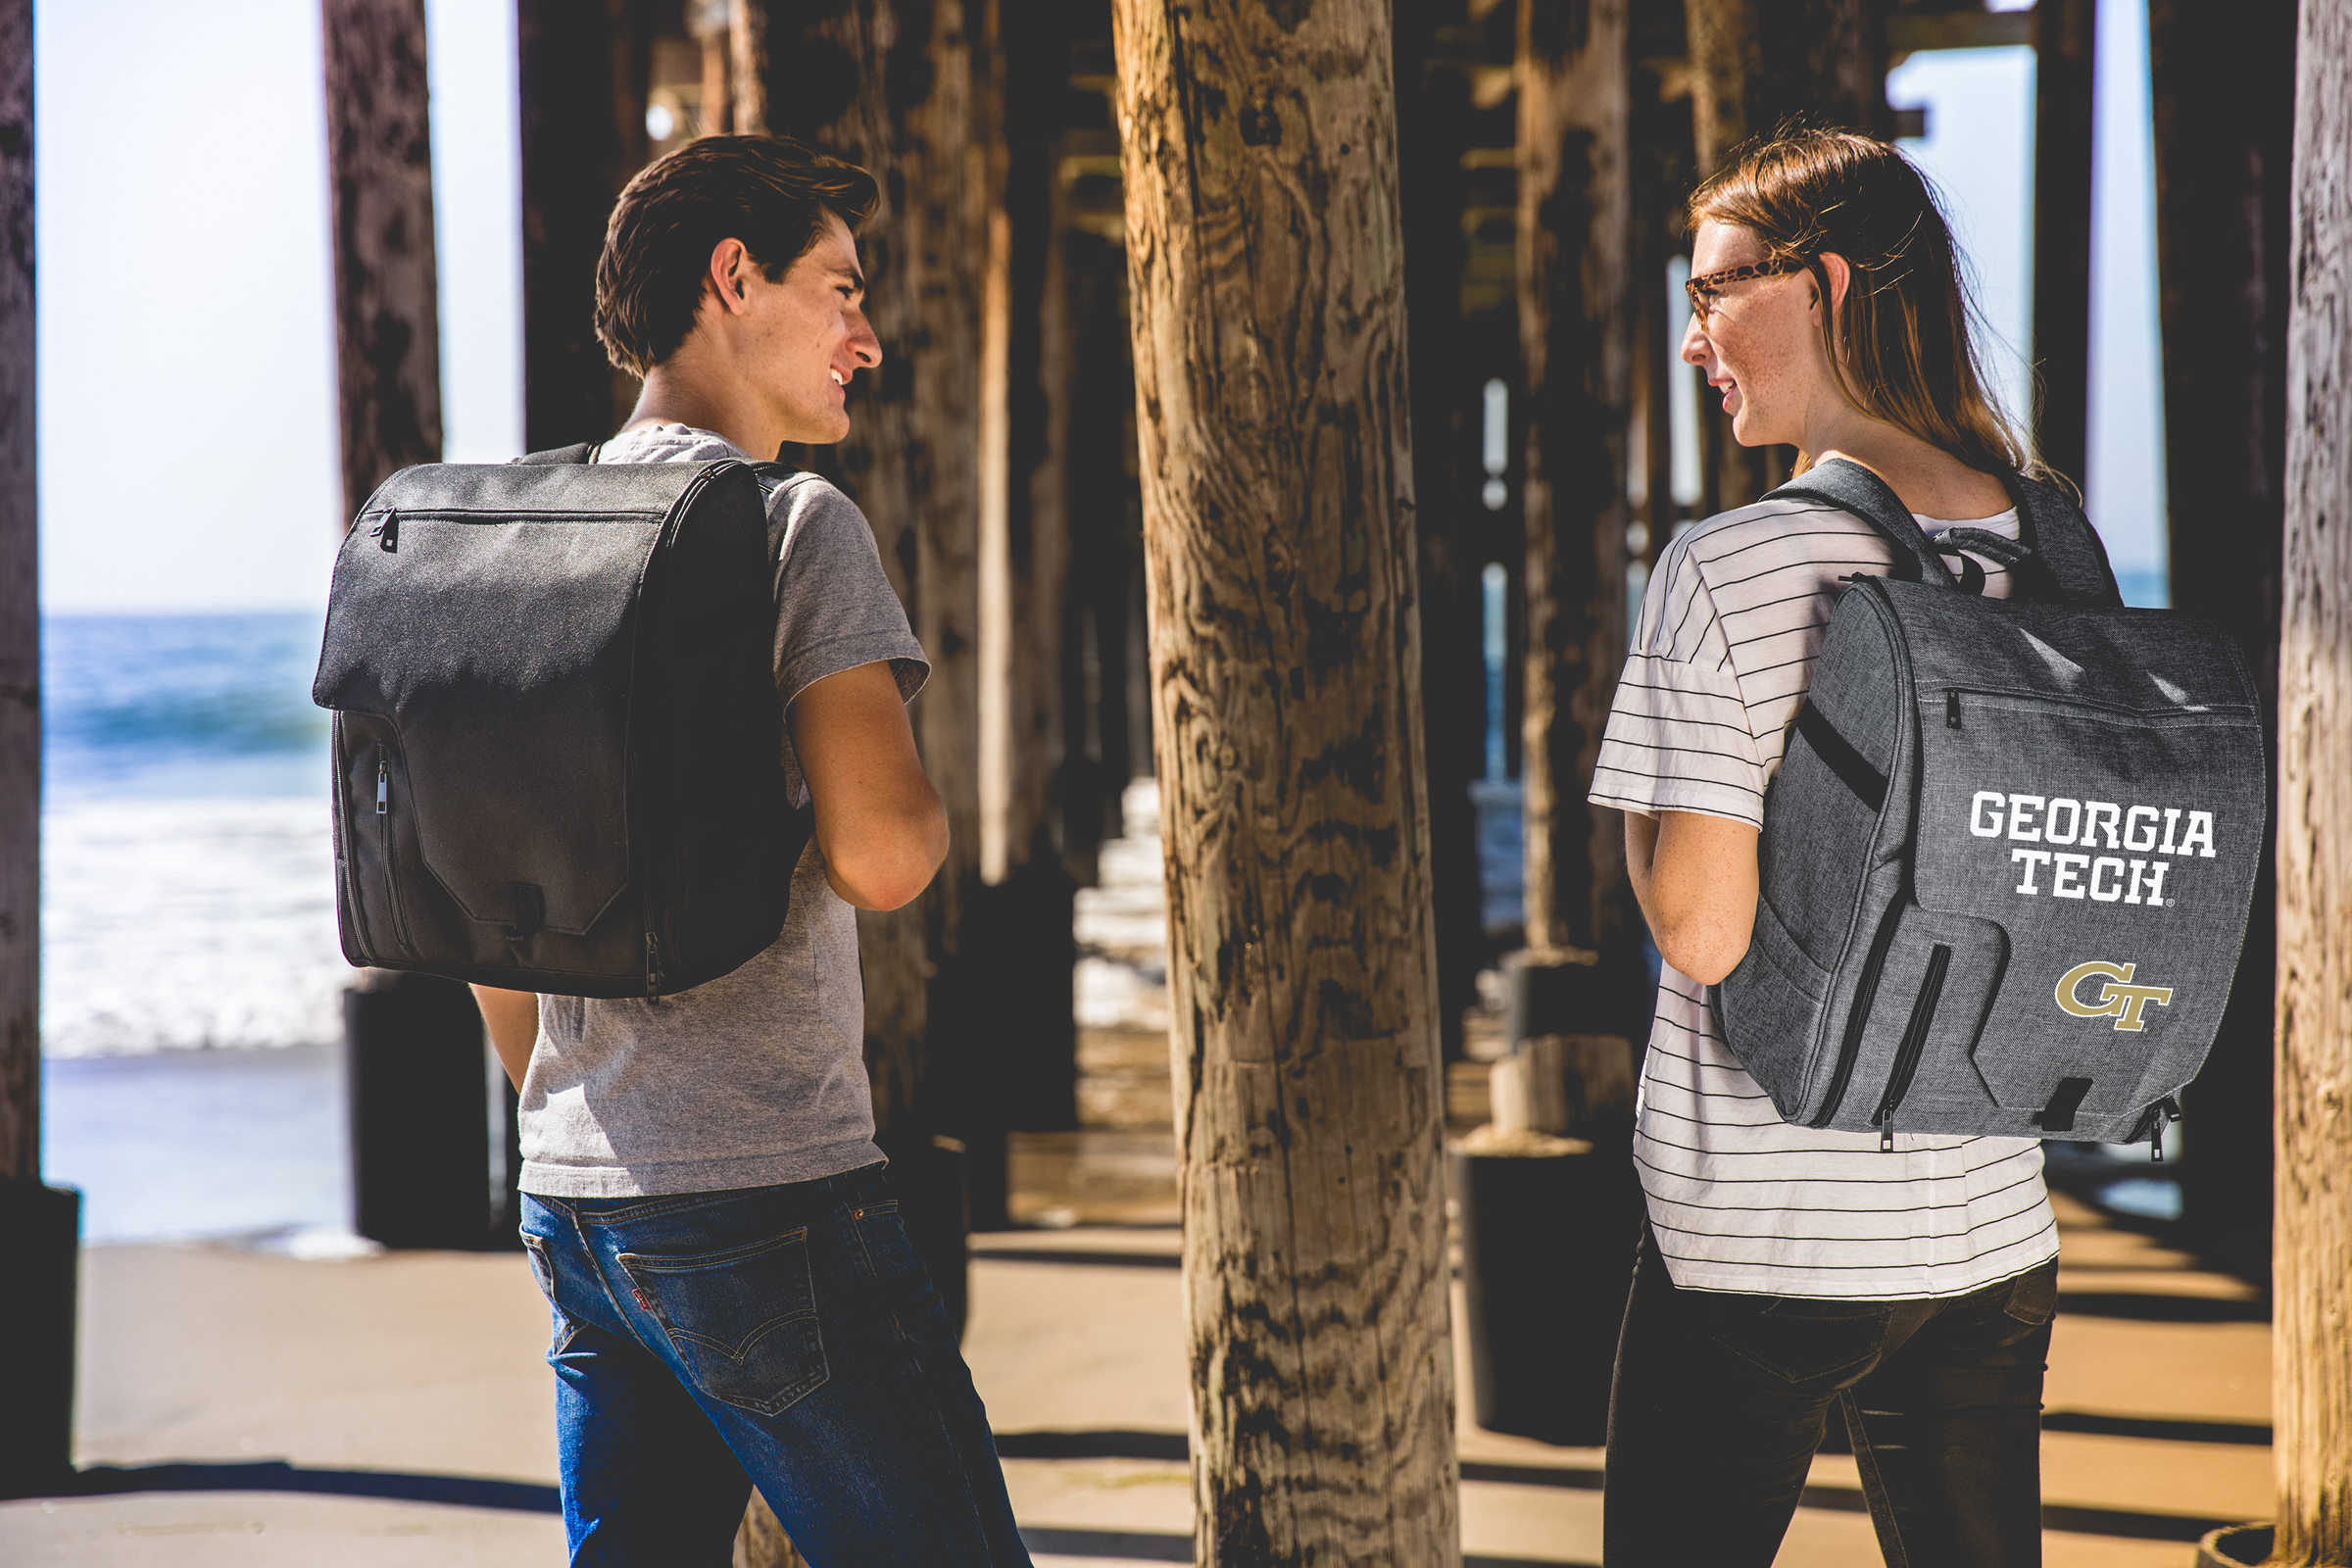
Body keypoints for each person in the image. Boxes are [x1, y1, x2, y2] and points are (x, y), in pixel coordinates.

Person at [470, 134, 1032, 1567]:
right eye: (840, 290)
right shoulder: (789, 526)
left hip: (577, 1195)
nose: (869, 334)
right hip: (768, 1185)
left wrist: (577, 1103)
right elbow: (885, 855)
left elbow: (482, 909)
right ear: (736, 278)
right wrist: (924, 798)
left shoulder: (526, 538)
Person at [1591, 130, 2065, 1568]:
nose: (1693, 341)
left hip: (1764, 1236)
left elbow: (1704, 932)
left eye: (1715, 291)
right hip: (1990, 1233)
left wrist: (1644, 810)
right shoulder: (2058, 544)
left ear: (1830, 284)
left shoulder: (1732, 564)